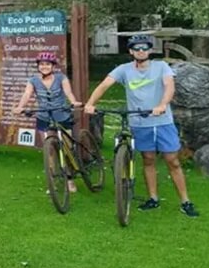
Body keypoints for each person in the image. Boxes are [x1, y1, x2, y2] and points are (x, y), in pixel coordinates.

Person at [84, 34, 199, 218]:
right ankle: (153, 198)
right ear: (131, 51)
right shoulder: (124, 70)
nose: (140, 51)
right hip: (139, 122)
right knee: (148, 159)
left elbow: (169, 86)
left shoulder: (161, 67)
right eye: (136, 48)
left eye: (144, 48)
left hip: (162, 121)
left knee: (172, 160)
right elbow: (104, 85)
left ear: (150, 50)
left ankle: (186, 201)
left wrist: (162, 105)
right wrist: (90, 103)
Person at [11, 51, 82, 193]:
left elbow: (68, 92)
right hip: (44, 118)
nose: (44, 67)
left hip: (61, 116)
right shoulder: (33, 81)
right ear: (38, 66)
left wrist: (73, 102)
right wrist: (20, 107)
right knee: (49, 150)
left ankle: (70, 179)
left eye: (47, 64)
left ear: (53, 66)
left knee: (67, 149)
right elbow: (27, 94)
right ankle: (52, 181)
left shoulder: (61, 78)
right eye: (42, 64)